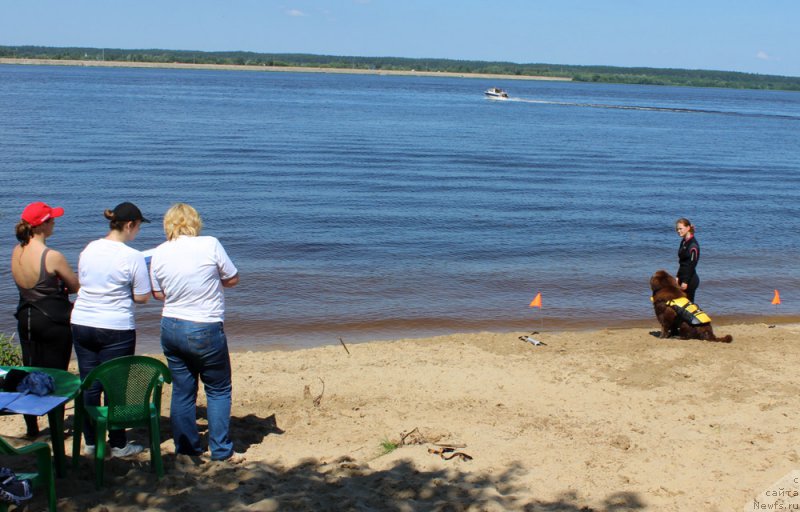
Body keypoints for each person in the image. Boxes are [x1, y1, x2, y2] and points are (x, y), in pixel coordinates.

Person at [149, 203, 241, 462]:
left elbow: (158, 294)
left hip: (171, 325)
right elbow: (233, 278)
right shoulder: (209, 244)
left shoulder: (159, 252)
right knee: (218, 388)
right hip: (205, 326)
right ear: (194, 223)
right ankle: (221, 450)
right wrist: (213, 281)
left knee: (182, 390)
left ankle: (187, 450)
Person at [70, 202, 151, 458]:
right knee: (117, 386)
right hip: (115, 326)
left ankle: (92, 441)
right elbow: (142, 297)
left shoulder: (90, 248)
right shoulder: (133, 256)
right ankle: (117, 443)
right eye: (138, 227)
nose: (138, 232)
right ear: (129, 225)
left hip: (82, 321)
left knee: (90, 383)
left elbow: (84, 282)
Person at [11, 202, 79, 438]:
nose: (55, 223)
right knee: (57, 375)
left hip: (25, 317)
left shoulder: (17, 251)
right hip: (53, 321)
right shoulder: (52, 256)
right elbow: (75, 286)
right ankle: (56, 427)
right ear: (42, 226)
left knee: (29, 370)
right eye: (52, 220)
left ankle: (31, 428)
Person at [675, 217, 700, 302]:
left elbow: (692, 265)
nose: (678, 231)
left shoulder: (693, 245)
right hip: (682, 278)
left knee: (688, 306)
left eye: (680, 229)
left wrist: (685, 281)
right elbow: (682, 263)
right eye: (677, 229)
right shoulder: (684, 241)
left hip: (690, 281)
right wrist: (678, 276)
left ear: (688, 228)